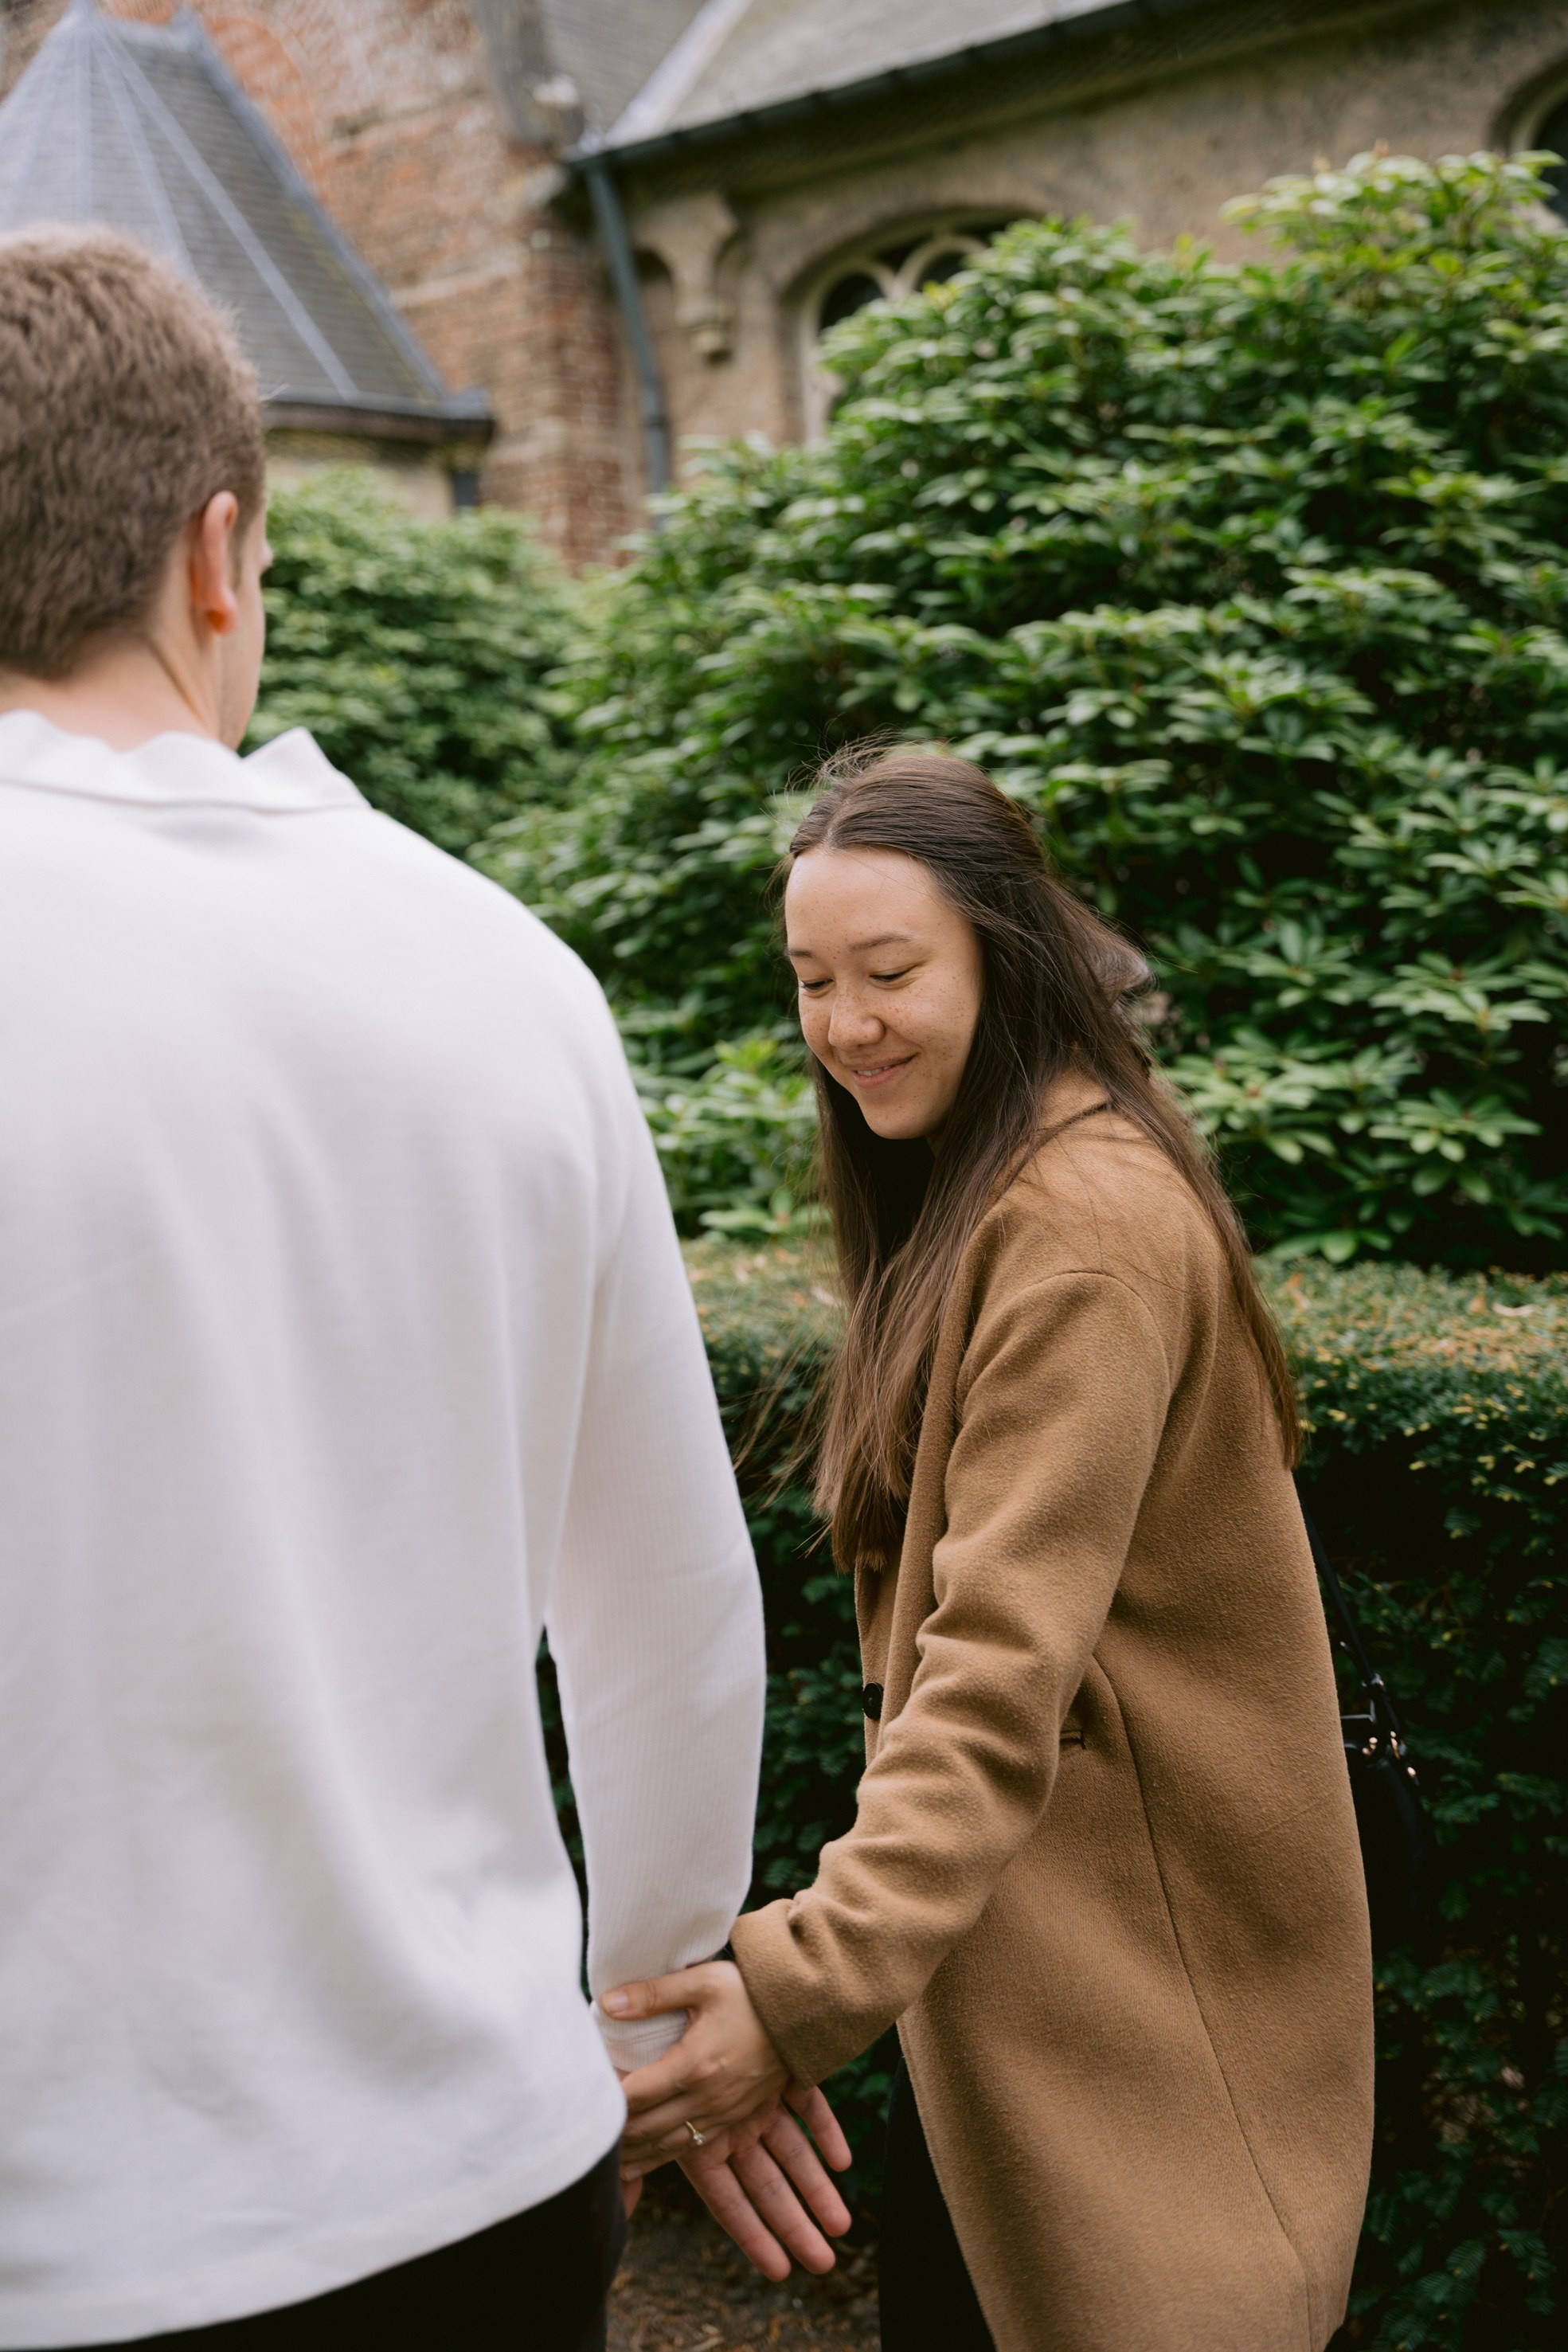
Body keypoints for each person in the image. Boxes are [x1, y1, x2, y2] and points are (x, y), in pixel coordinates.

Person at [0, 226, 850, 2350]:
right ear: (221, 556)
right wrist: (653, 2014)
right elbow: (663, 1616)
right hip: (464, 2177)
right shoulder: (496, 967)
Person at [604, 749, 1376, 2352]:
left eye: (891, 971)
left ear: (1003, 956)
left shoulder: (1081, 1223)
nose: (844, 1021)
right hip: (1023, 2019)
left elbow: (990, 1677)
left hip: (1145, 2038)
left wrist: (798, 1987)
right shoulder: (989, 1186)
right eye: (812, 979)